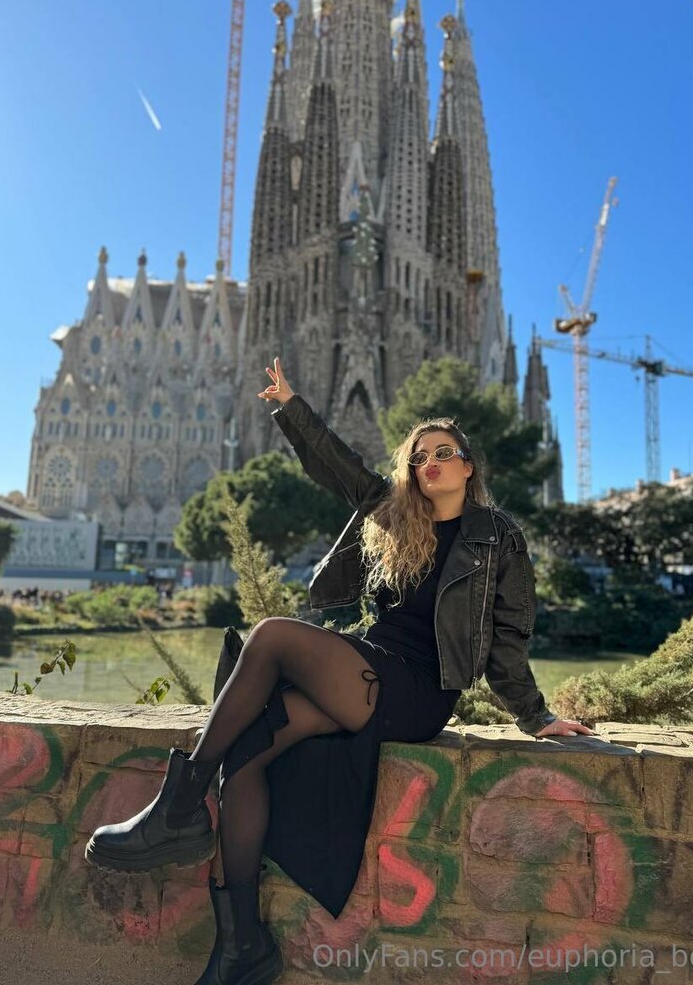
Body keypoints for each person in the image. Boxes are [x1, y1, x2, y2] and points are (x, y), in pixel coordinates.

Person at [85, 356, 595, 985]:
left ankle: (178, 808)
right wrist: (290, 407)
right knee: (244, 757)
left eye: (444, 453)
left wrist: (535, 715)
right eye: (419, 457)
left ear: (468, 466)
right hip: (366, 669)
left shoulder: (498, 537)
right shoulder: (396, 516)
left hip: (416, 690)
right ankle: (242, 946)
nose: (430, 463)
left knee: (272, 636)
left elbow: (509, 635)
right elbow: (338, 467)